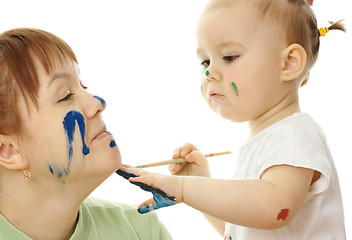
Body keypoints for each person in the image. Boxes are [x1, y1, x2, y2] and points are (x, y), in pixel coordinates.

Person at [118, 0, 346, 239]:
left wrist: (187, 189)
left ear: (289, 63)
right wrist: (200, 183)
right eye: (205, 61)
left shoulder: (296, 134)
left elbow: (275, 209)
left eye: (228, 57)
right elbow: (240, 231)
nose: (209, 73)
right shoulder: (264, 141)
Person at [0, 28, 172, 240]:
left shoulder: (141, 230)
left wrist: (206, 197)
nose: (98, 102)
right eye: (66, 96)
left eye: (83, 85)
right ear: (8, 150)